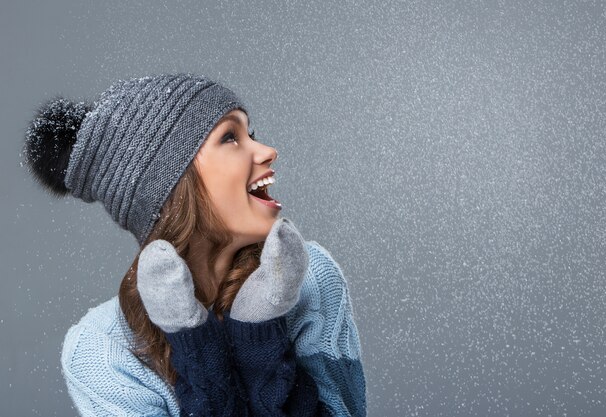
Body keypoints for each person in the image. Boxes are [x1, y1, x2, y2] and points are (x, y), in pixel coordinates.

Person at [22, 73, 367, 416]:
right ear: (170, 187)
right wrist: (199, 352)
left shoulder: (310, 279)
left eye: (252, 134)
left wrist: (258, 336)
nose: (267, 151)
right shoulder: (101, 348)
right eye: (231, 137)